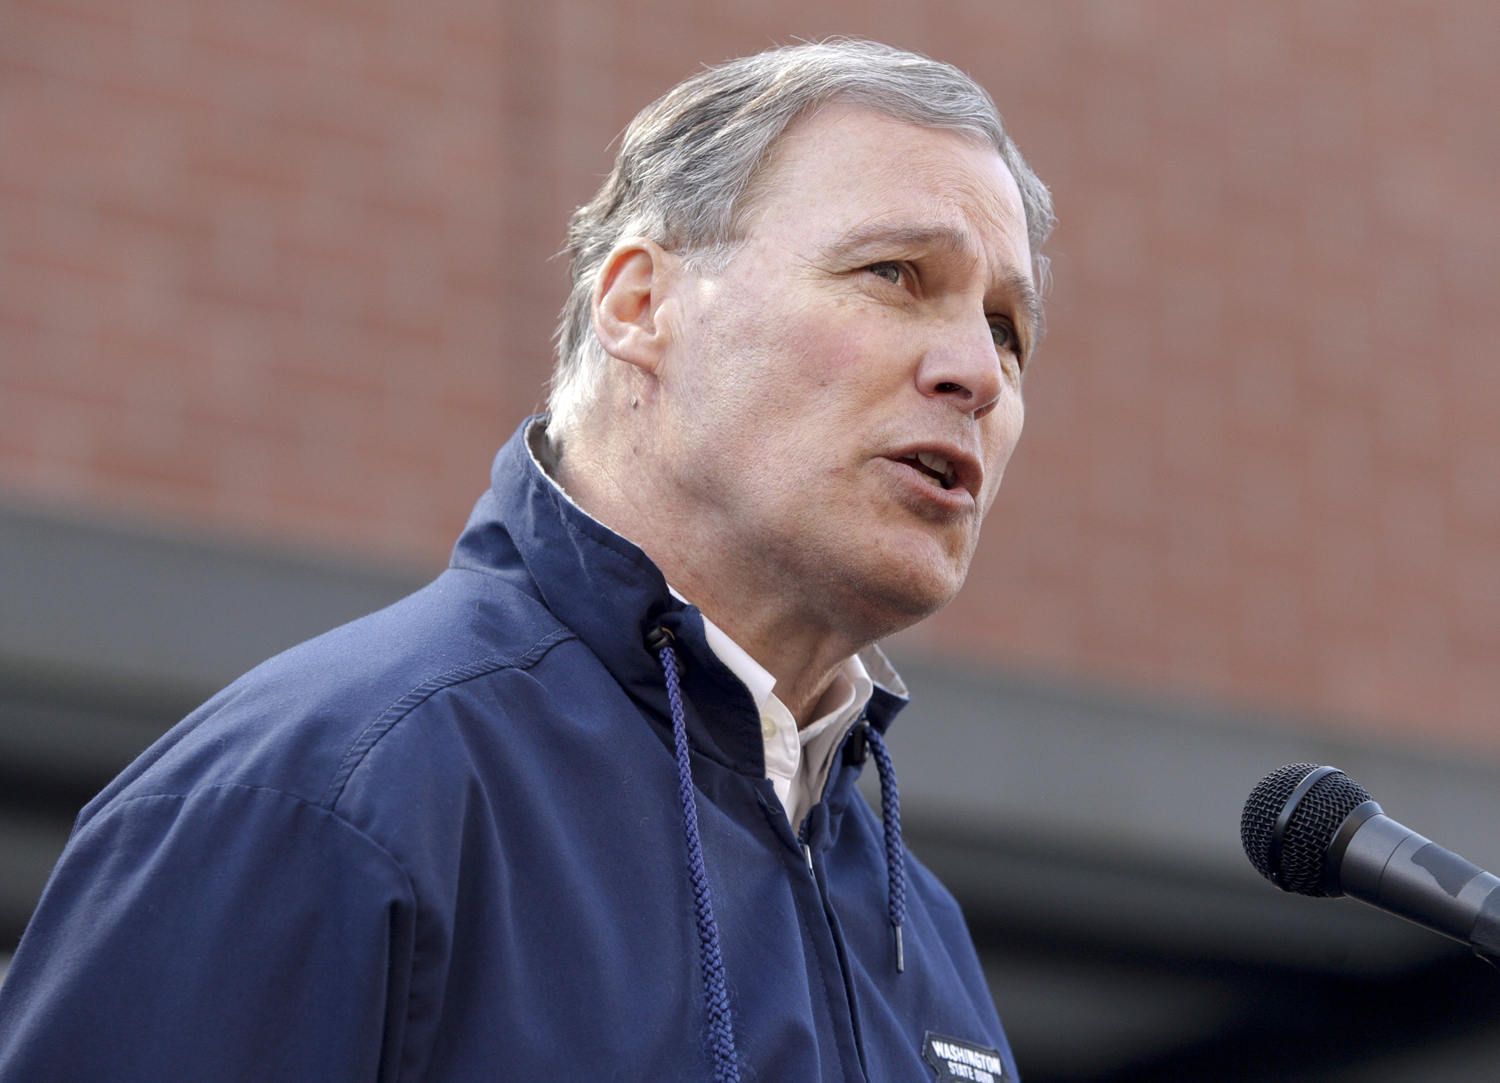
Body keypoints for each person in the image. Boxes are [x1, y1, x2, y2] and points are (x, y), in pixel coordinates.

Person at [0, 38, 1051, 1083]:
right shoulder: (327, 799)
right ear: (640, 306)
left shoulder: (927, 941)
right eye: (894, 275)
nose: (976, 373)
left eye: (1006, 329)